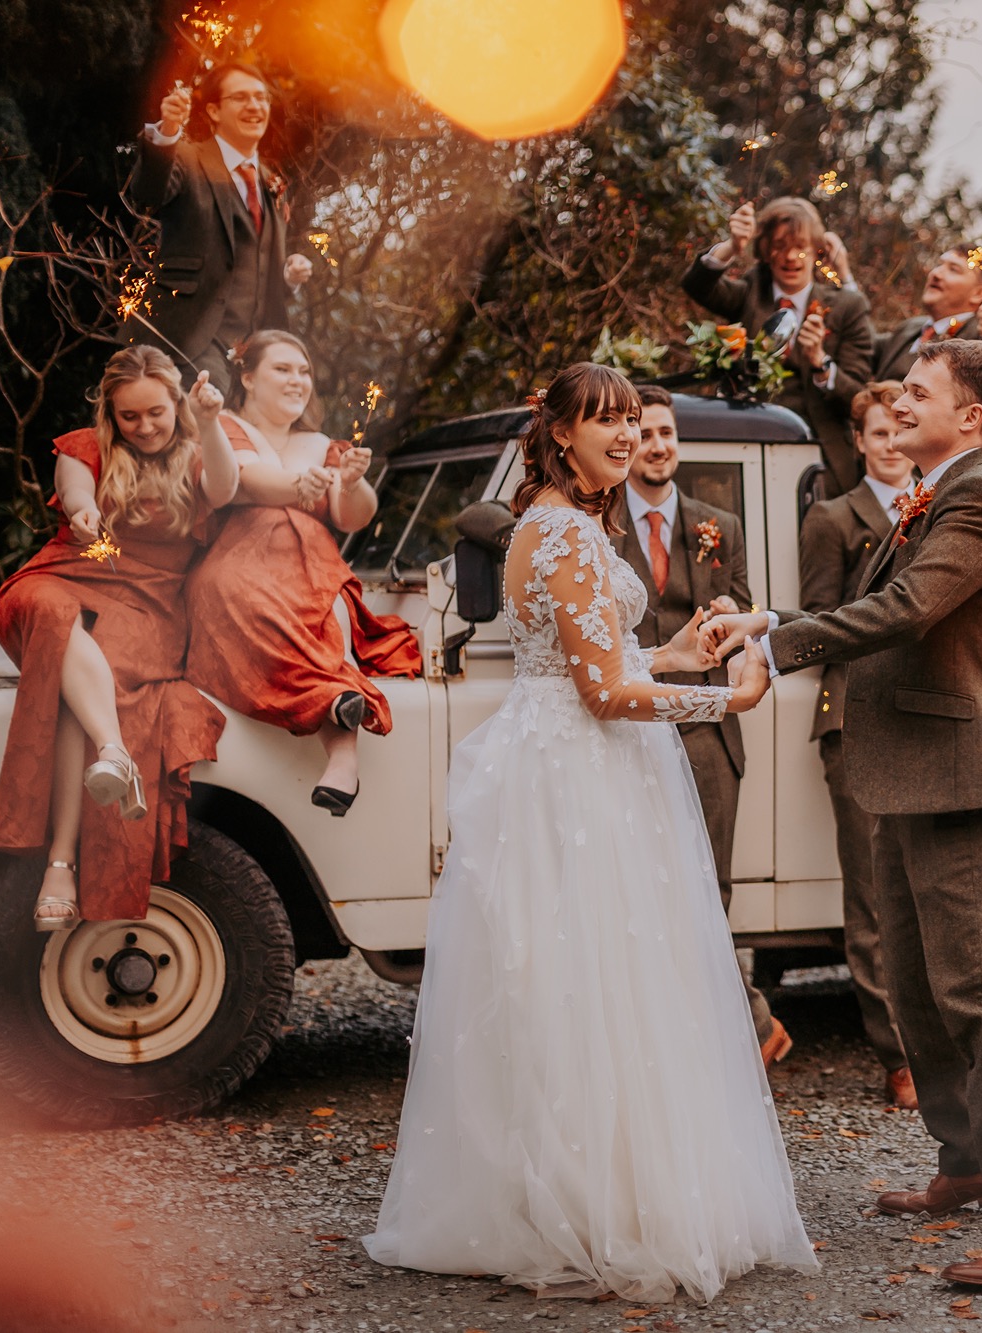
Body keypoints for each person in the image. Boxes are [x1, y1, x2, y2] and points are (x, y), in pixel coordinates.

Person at [363, 363, 815, 1301]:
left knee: (583, 976)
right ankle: (595, 1205)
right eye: (605, 420)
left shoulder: (555, 519)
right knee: (593, 977)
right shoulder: (566, 529)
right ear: (561, 433)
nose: (625, 434)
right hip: (577, 772)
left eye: (633, 420)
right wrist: (724, 698)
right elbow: (604, 694)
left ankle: (572, 1192)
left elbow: (597, 662)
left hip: (572, 754)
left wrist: (674, 652)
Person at [704, 341, 982, 1288]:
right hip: (907, 772)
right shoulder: (931, 489)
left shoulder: (980, 494)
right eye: (902, 389)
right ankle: (968, 1161)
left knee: (975, 994)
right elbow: (873, 601)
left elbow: (907, 609)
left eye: (919, 392)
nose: (901, 402)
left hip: (958, 774)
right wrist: (767, 620)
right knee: (912, 985)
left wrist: (778, 649)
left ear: (971, 417)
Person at [0, 347, 238, 929]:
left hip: (149, 604)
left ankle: (61, 863)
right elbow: (75, 491)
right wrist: (82, 514)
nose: (144, 427)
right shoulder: (85, 447)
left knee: (78, 688)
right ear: (110, 413)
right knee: (52, 617)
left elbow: (225, 490)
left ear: (176, 405)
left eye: (156, 413)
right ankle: (114, 752)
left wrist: (209, 421)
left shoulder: (200, 452)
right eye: (130, 416)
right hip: (66, 577)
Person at [610, 383, 787, 1065]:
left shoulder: (721, 525)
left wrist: (734, 619)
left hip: (709, 727)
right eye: (646, 434)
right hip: (631, 720)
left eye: (667, 434)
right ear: (628, 443)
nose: (657, 446)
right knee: (635, 883)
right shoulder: (600, 524)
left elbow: (743, 606)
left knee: (709, 886)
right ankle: (721, 1026)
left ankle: (720, 1039)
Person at [184, 331, 422, 815]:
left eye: (304, 371)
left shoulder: (320, 444)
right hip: (242, 568)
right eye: (282, 369)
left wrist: (351, 482)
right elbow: (248, 481)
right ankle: (338, 706)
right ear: (248, 377)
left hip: (313, 566)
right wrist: (298, 485)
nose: (298, 380)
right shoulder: (224, 426)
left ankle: (343, 754)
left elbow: (354, 516)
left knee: (327, 623)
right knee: (259, 612)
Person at [797, 382, 918, 1109]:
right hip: (854, 715)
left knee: (923, 891)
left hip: (926, 715)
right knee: (872, 895)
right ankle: (899, 1056)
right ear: (860, 442)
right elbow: (816, 624)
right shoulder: (833, 518)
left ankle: (940, 1045)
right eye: (879, 433)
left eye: (903, 429)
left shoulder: (938, 507)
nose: (893, 444)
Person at [125, 63, 313, 388]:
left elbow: (258, 270)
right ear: (213, 111)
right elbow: (147, 193)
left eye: (261, 98)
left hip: (253, 356)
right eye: (240, 98)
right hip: (186, 344)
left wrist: (287, 278)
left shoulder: (272, 181)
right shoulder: (187, 158)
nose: (254, 106)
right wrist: (168, 129)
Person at [682, 197, 874, 491]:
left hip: (823, 457)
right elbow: (697, 286)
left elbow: (858, 397)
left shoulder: (847, 306)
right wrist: (732, 246)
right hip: (751, 448)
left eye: (801, 247)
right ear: (765, 250)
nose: (790, 257)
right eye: (780, 246)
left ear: (817, 250)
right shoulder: (750, 293)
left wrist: (820, 363)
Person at [871, 245, 982, 383]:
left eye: (953, 269)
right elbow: (863, 343)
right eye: (939, 265)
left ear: (978, 294)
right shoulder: (909, 327)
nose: (936, 273)